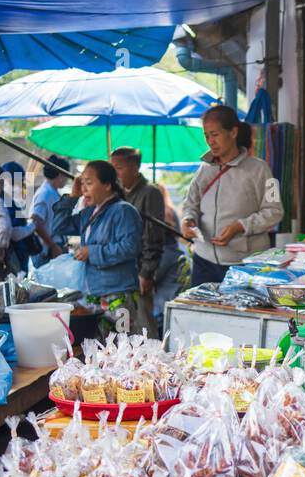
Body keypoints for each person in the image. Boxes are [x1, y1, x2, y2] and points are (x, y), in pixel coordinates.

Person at [181, 105, 282, 286]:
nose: (210, 141)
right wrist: (188, 220)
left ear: (233, 132)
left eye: (215, 134)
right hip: (204, 262)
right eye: (206, 136)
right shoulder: (203, 170)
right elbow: (190, 204)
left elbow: (275, 211)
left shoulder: (261, 169)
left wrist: (240, 226)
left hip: (245, 265)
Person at [111, 146, 179, 335]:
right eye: (113, 168)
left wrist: (146, 272)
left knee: (143, 322)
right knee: (123, 321)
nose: (115, 173)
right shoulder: (118, 194)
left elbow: (153, 236)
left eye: (119, 168)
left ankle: (150, 360)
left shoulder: (150, 193)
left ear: (134, 168)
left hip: (140, 268)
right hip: (121, 270)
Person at [72, 160, 141, 336]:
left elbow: (129, 247)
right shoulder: (91, 211)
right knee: (101, 350)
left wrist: (91, 252)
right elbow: (59, 227)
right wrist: (72, 198)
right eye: (82, 183)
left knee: (120, 348)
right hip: (94, 293)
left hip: (117, 294)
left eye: (89, 183)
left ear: (108, 185)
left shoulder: (123, 211)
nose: (84, 188)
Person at [27, 155, 70, 267]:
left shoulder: (53, 193)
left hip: (55, 247)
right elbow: (35, 221)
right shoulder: (45, 194)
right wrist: (52, 246)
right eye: (66, 176)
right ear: (60, 175)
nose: (66, 180)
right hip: (48, 251)